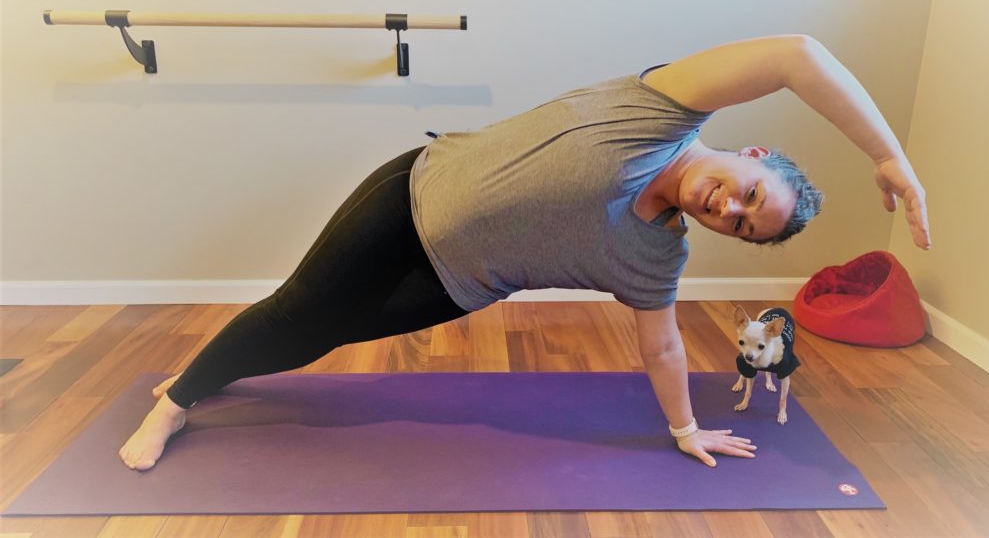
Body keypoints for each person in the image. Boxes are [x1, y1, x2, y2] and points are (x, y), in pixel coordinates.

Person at [118, 34, 931, 471]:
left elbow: (662, 342)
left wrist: (686, 431)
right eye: (747, 195)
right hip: (409, 197)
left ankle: (210, 374)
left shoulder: (656, 257)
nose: (730, 210)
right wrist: (886, 153)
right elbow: (798, 56)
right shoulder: (659, 110)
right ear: (749, 158)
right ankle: (177, 402)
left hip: (458, 283)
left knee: (325, 333)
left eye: (744, 227)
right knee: (298, 308)